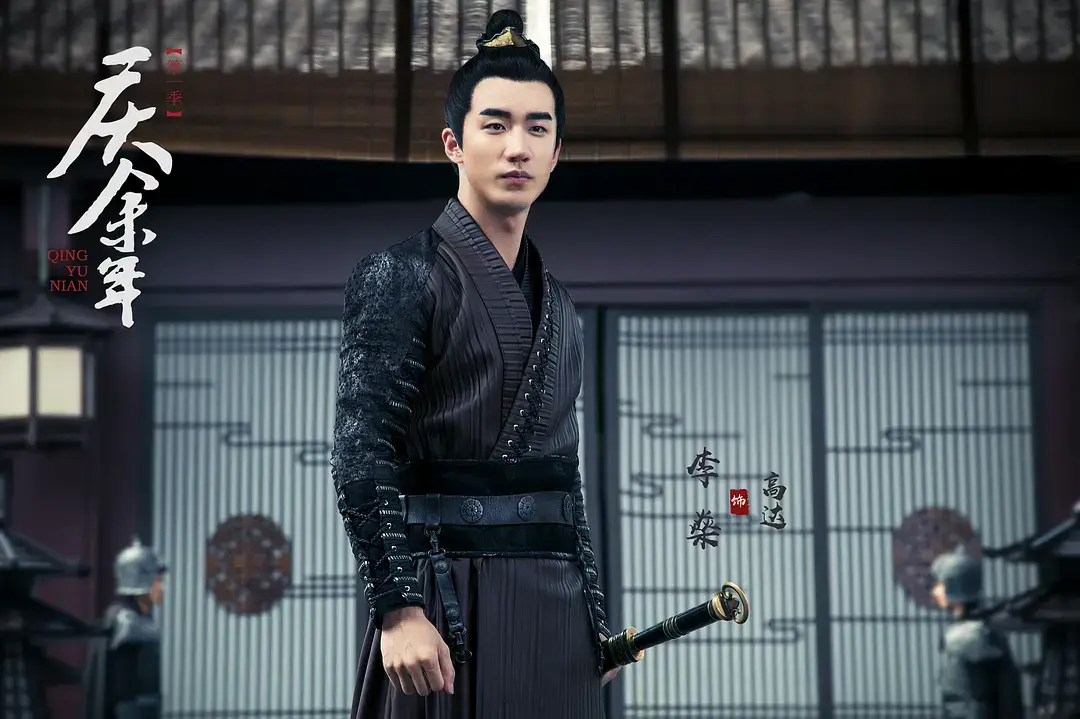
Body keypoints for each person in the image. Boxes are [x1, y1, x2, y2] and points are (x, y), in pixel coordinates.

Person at [332, 9, 617, 719]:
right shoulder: (400, 275)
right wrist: (398, 608)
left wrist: (594, 618)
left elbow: (564, 481)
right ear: (454, 143)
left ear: (557, 151)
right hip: (440, 599)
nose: (518, 147)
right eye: (496, 125)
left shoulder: (560, 305)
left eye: (537, 128)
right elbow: (362, 452)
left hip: (555, 612)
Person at [930, 545, 1023, 719]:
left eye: (940, 584)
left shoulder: (967, 636)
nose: (935, 590)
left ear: (954, 586)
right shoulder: (983, 630)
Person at [83, 537, 167, 719]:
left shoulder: (132, 618)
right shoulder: (128, 621)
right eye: (158, 580)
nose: (163, 587)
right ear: (142, 581)